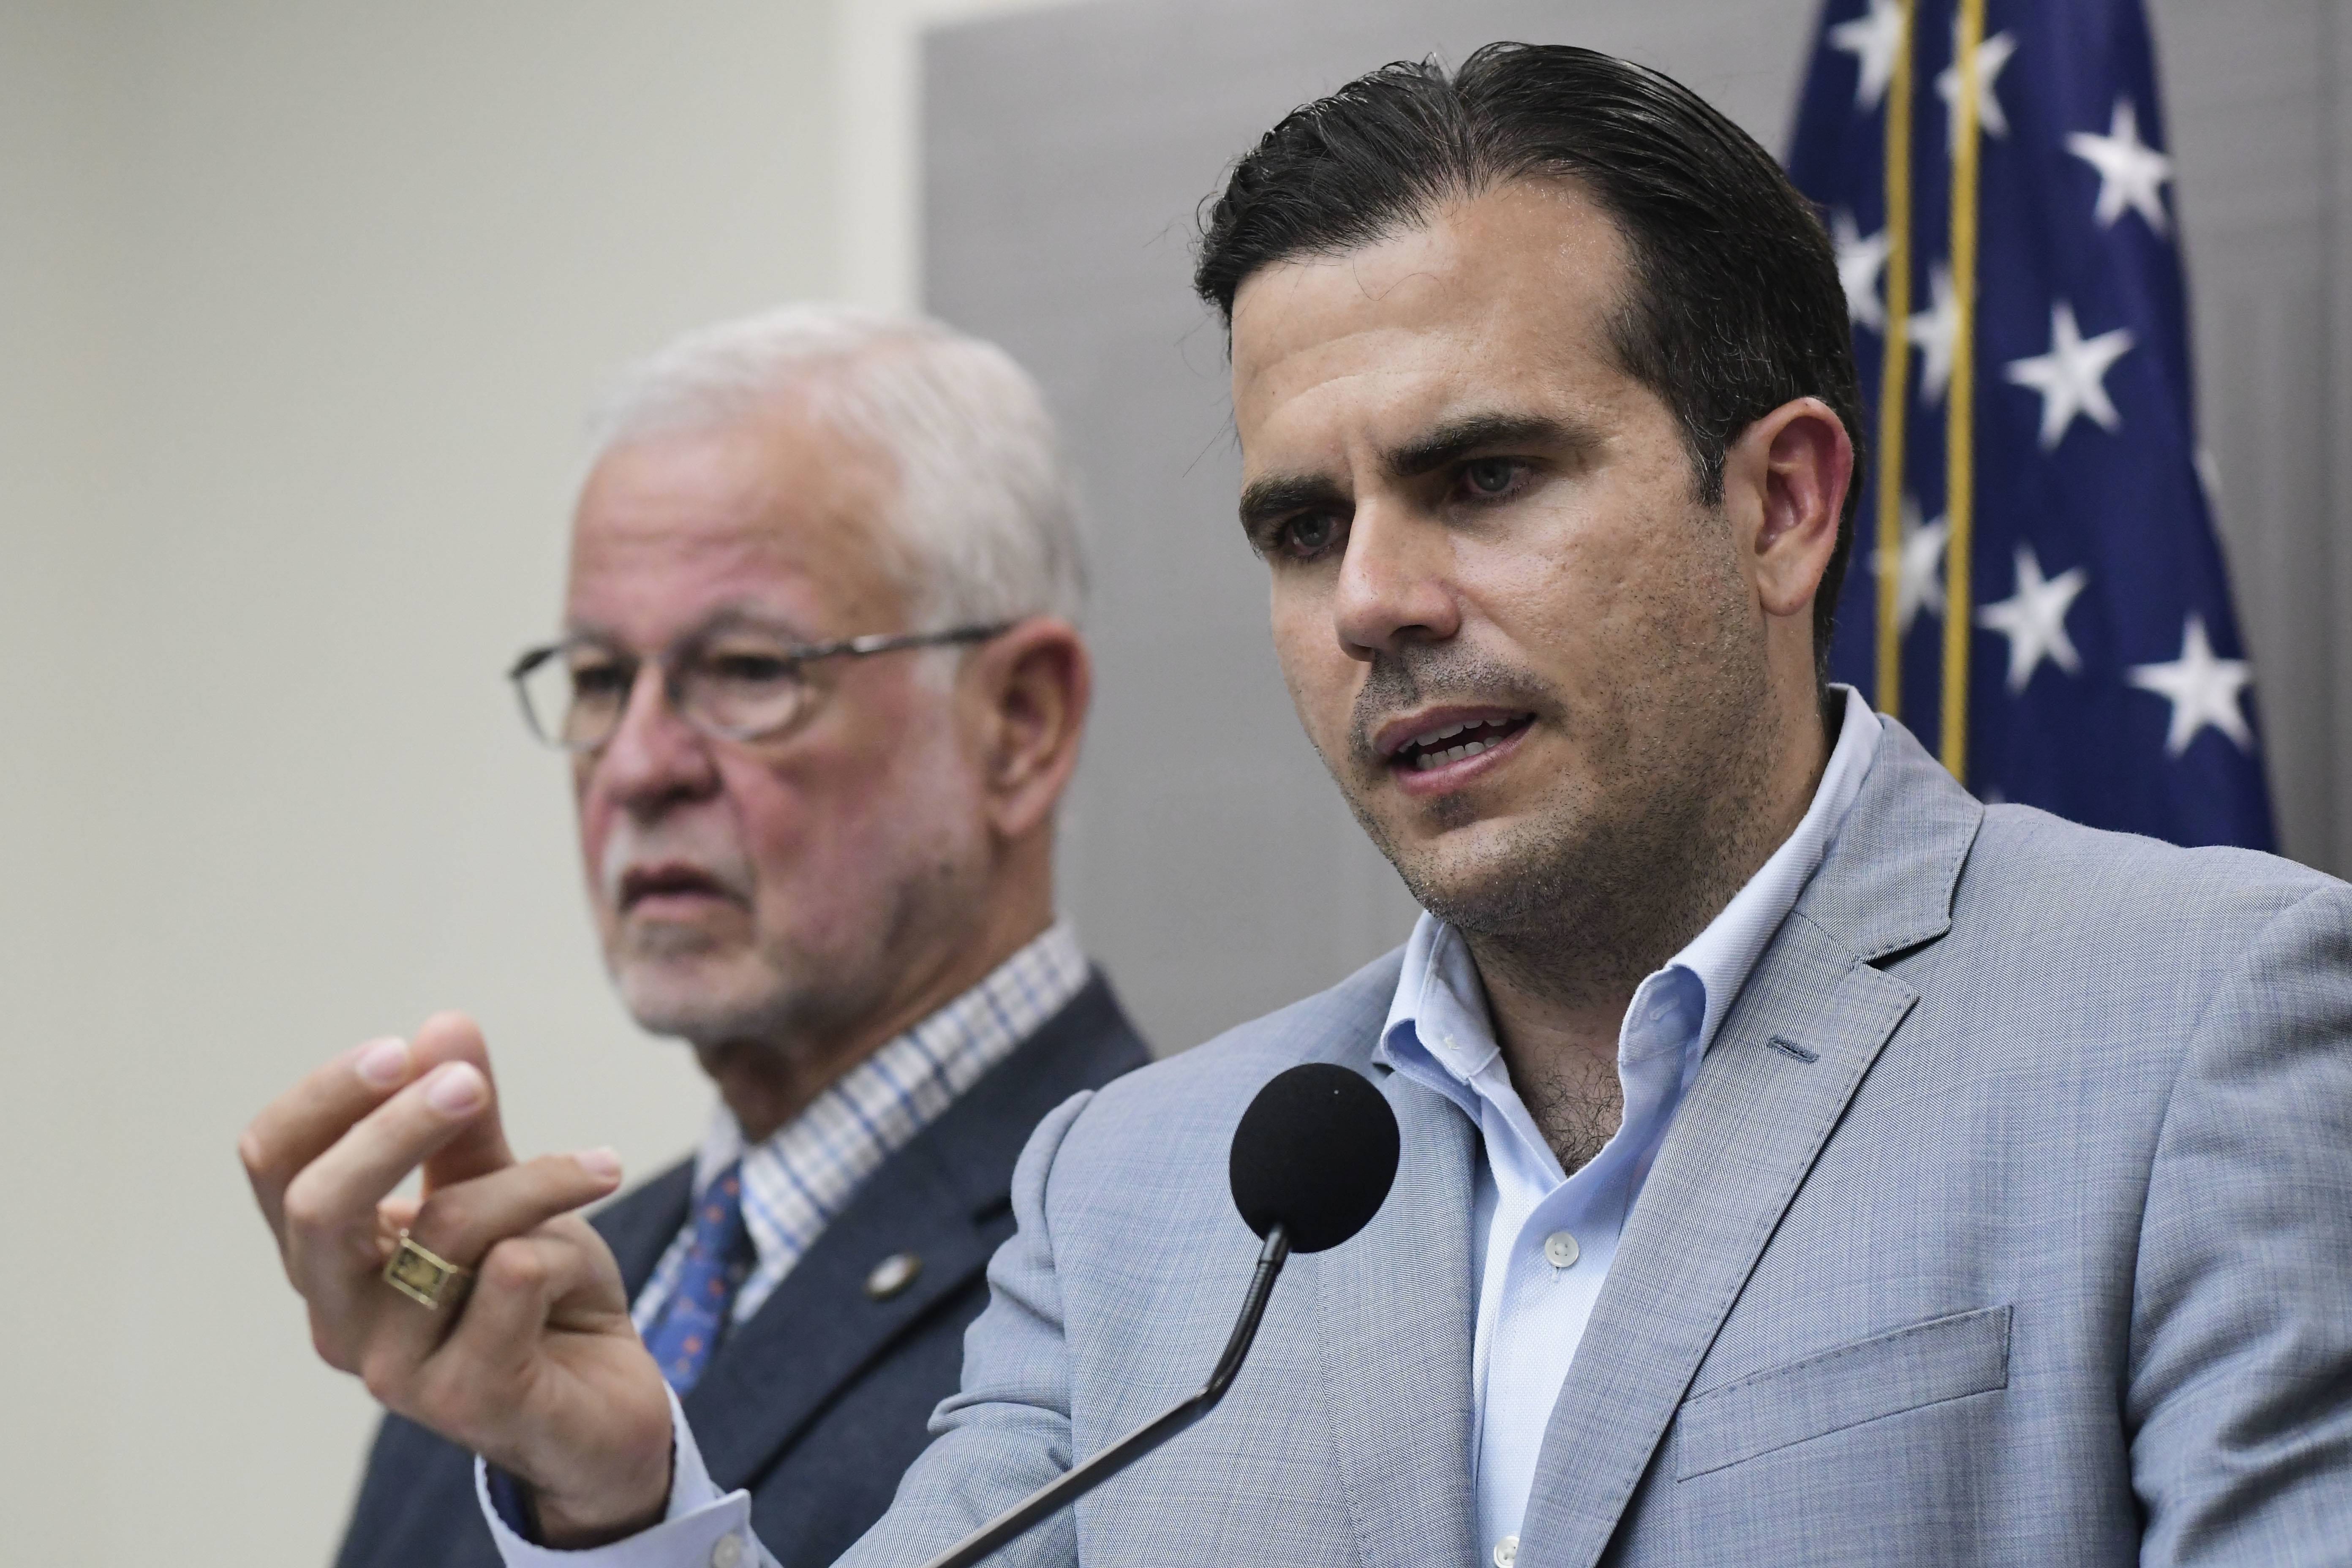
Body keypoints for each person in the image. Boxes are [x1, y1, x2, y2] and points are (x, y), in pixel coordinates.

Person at [247, 45, 2352, 1567]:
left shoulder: (2202, 1022)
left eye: (1484, 475)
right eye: (1297, 521)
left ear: (1783, 500)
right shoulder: (1157, 1191)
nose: (1372, 600)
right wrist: (615, 1488)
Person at [287, 303, 1150, 1568]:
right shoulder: (509, 1300)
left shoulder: (1184, 1279)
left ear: (1017, 724)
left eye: (747, 669)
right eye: (595, 678)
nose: (637, 766)